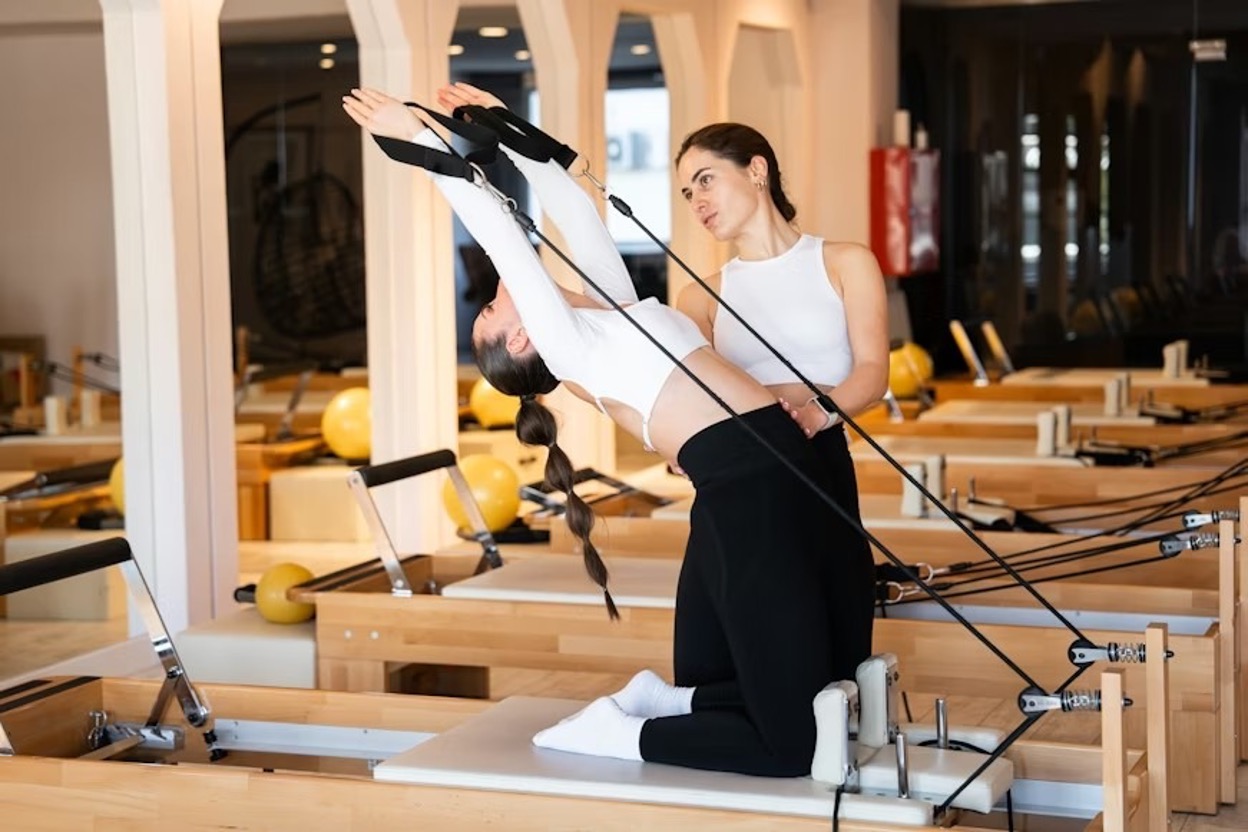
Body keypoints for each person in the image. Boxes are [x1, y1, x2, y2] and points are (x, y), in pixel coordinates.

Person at [343, 85, 874, 778]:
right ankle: (611, 736)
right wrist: (421, 148)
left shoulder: (617, 316)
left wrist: (505, 127)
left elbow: (573, 211)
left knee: (829, 675)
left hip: (781, 472)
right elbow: (503, 235)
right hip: (749, 490)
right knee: (795, 750)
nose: (496, 292)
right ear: (525, 337)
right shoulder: (572, 350)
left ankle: (664, 700)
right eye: (491, 312)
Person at [673, 123, 887, 669]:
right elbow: (692, 399)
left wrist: (816, 414)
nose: (697, 202)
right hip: (737, 482)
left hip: (821, 462)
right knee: (730, 650)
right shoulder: (699, 297)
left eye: (705, 181)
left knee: (832, 639)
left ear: (757, 169)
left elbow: (871, 373)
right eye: (687, 193)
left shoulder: (845, 261)